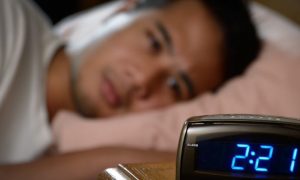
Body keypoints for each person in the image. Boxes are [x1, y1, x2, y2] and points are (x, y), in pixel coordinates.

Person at [0, 0, 261, 178]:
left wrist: (114, 160)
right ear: (124, 10)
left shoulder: (56, 149)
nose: (142, 80)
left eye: (175, 85)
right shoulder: (10, 26)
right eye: (154, 42)